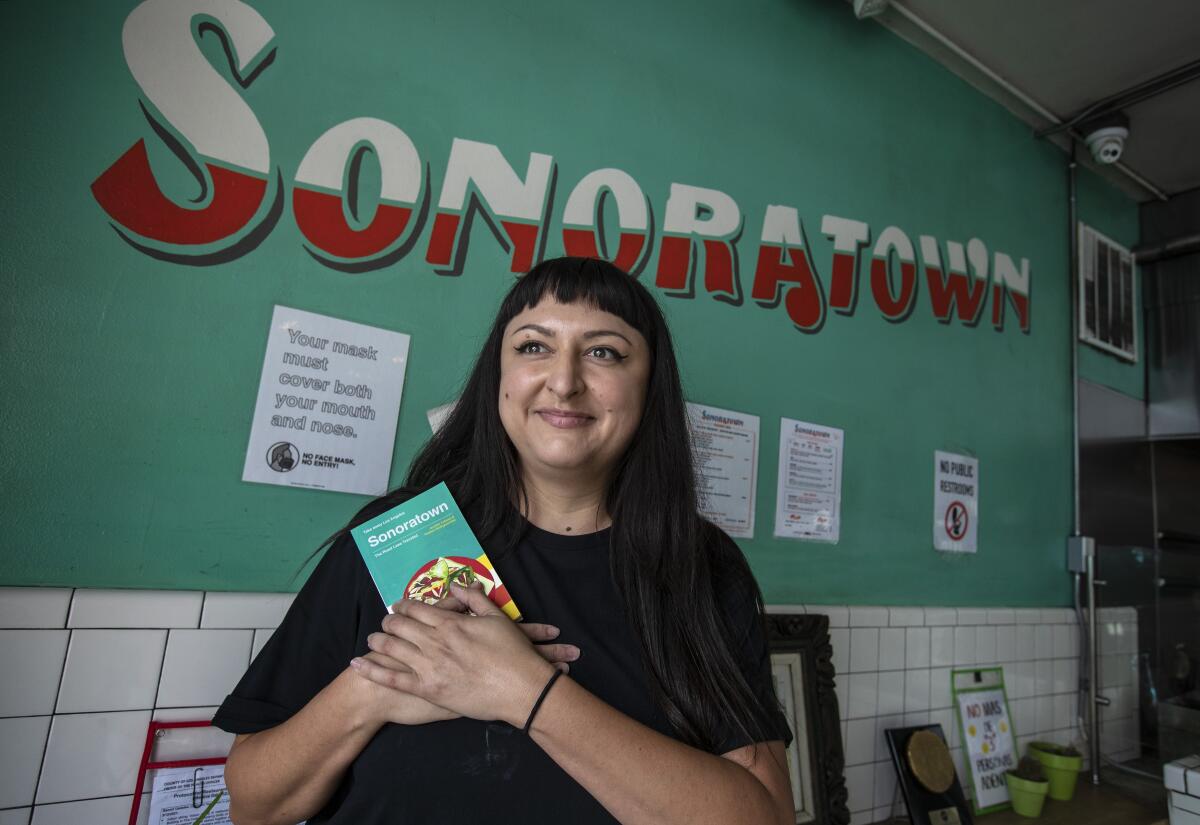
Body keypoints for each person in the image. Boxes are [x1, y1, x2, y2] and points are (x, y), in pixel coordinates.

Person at [213, 257, 794, 824]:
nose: (563, 382)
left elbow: (764, 816)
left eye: (604, 352)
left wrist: (524, 691)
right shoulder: (398, 534)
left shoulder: (703, 567)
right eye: (533, 346)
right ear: (499, 376)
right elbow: (255, 805)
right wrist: (377, 691)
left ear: (649, 388)